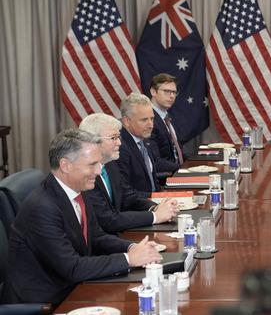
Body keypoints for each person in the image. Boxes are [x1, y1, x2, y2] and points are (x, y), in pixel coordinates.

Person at [1, 129, 162, 306]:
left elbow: (96, 236)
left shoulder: (79, 189)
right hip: (48, 301)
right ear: (65, 165)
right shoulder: (42, 207)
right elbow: (72, 267)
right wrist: (129, 259)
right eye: (92, 164)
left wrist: (134, 247)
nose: (99, 171)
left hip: (75, 286)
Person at [79, 113, 179, 234]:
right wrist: (155, 216)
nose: (119, 143)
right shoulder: (84, 174)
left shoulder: (110, 164)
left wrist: (155, 207)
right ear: (93, 141)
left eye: (119, 137)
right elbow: (108, 220)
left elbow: (127, 196)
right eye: (113, 138)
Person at [116, 93, 160, 198]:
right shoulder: (119, 147)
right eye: (144, 120)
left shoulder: (142, 139)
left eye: (152, 119)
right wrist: (157, 198)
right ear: (126, 121)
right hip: (140, 209)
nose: (150, 125)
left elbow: (152, 182)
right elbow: (125, 193)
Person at [149, 73, 183, 174]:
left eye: (174, 92)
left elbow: (176, 151)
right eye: (167, 91)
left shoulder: (167, 116)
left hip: (176, 172)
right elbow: (155, 161)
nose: (172, 96)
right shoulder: (148, 119)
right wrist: (183, 169)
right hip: (164, 178)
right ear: (153, 91)